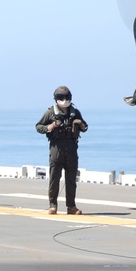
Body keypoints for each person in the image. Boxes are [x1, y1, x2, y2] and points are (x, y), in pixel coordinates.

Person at [35, 86, 88, 215]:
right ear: (57, 99)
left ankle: (71, 206)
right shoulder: (50, 113)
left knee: (71, 180)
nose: (65, 100)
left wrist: (80, 124)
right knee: (54, 178)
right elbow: (38, 126)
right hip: (56, 148)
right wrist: (51, 126)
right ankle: (53, 205)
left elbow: (85, 127)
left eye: (67, 98)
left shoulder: (75, 112)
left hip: (71, 148)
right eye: (62, 98)